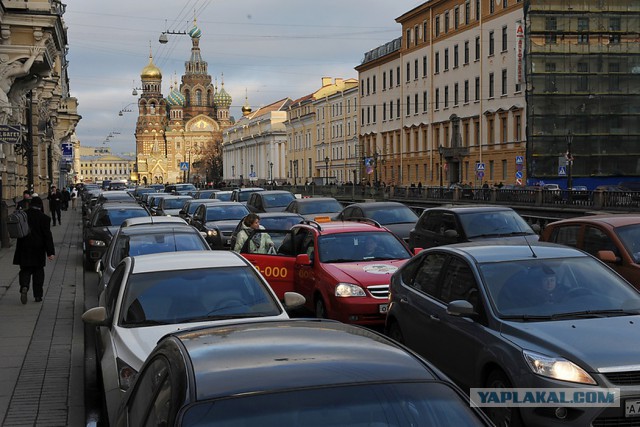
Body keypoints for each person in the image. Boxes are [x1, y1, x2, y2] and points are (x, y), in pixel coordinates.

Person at [12, 196, 55, 304]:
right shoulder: (45, 218)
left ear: (30, 205)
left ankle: (24, 286)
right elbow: (47, 236)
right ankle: (38, 296)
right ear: (40, 206)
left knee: (25, 270)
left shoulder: (23, 215)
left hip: (24, 248)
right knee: (38, 272)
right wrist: (50, 253)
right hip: (38, 249)